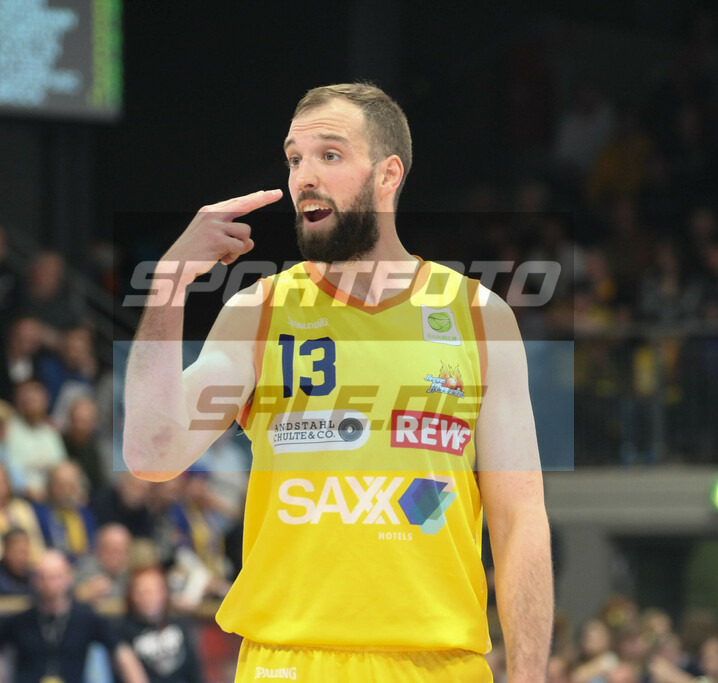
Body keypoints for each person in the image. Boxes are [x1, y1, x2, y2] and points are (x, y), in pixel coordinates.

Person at [124, 83, 552, 681]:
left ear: (387, 175)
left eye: (329, 154)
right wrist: (168, 283)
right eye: (294, 157)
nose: (303, 175)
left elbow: (519, 520)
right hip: (289, 662)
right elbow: (150, 453)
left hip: (439, 665)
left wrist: (529, 675)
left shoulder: (479, 317)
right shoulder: (259, 312)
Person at [0, 549, 147, 683]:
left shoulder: (85, 618)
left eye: (55, 577)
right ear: (35, 580)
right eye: (43, 577)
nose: (49, 584)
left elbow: (122, 652)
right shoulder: (22, 620)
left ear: (68, 578)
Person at [117, 566, 204, 683]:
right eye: (143, 592)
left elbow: (195, 672)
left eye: (155, 591)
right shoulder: (122, 631)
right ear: (132, 595)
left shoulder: (180, 625)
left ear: (165, 593)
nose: (149, 597)